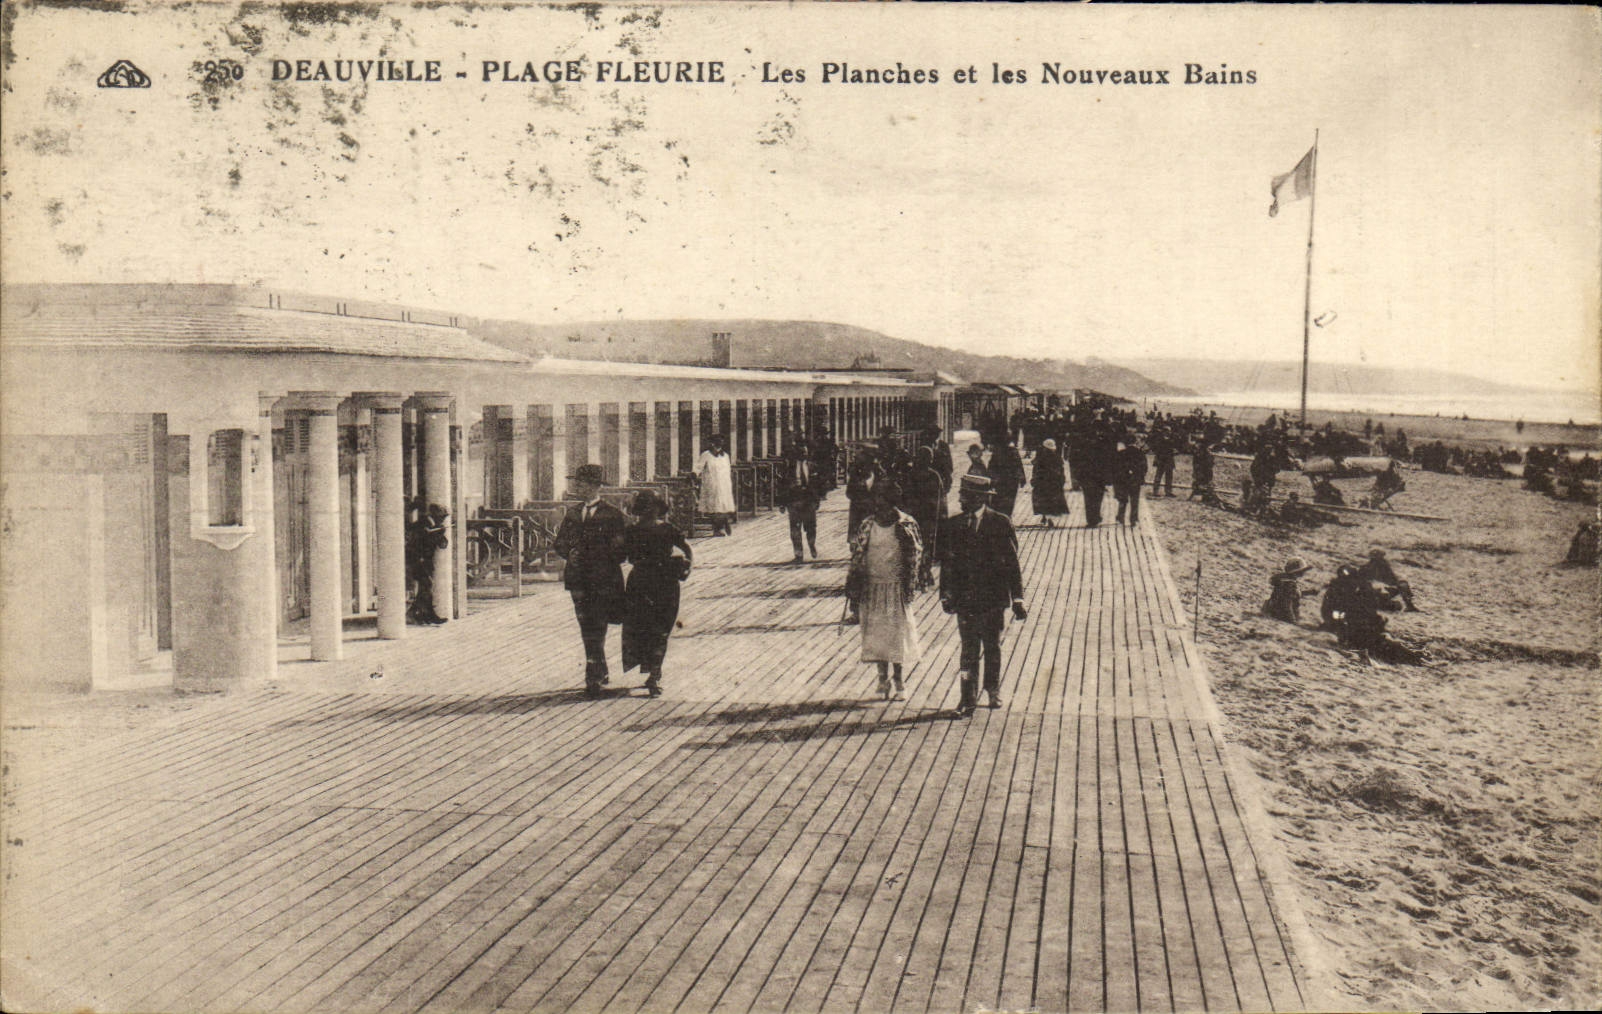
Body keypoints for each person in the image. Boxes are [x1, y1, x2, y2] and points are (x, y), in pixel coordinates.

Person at [939, 474, 1027, 716]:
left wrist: (1017, 599)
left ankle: (992, 689)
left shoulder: (1000, 523)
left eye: (964, 496)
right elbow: (948, 564)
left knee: (991, 647)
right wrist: (945, 595)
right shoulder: (954, 525)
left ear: (979, 498)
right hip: (965, 600)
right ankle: (967, 698)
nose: (960, 500)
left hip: (992, 599)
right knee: (968, 649)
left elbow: (1012, 564)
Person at [553, 464, 627, 696]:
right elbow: (560, 542)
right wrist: (569, 552)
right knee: (587, 625)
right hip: (578, 580)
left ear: (595, 487)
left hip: (603, 580)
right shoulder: (573, 513)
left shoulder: (613, 514)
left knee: (598, 625)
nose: (577, 487)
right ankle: (598, 670)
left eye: (582, 483)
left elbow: (621, 550)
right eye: (576, 483)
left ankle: (593, 674)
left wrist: (599, 557)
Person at [845, 480, 923, 702]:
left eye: (882, 500)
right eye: (876, 499)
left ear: (891, 502)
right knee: (877, 634)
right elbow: (858, 555)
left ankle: (899, 679)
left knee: (896, 634)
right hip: (873, 587)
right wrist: (853, 583)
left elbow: (916, 557)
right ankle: (882, 678)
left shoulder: (906, 525)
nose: (877, 505)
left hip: (895, 587)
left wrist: (911, 584)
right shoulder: (868, 524)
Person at [621, 490, 692, 698]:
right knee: (651, 628)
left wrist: (688, 568)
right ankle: (653, 672)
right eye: (646, 508)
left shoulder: (664, 529)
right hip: (650, 583)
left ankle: (654, 673)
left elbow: (687, 549)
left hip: (657, 582)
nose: (650, 512)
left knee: (659, 628)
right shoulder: (633, 531)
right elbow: (688, 550)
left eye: (653, 508)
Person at [904, 445, 946, 587]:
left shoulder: (910, 474)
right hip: (929, 519)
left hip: (914, 518)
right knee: (928, 547)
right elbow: (941, 499)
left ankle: (916, 574)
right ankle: (925, 574)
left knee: (914, 545)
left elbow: (906, 497)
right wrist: (942, 516)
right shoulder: (934, 476)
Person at [405, 498, 449, 624]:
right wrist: (435, 534)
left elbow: (442, 544)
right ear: (435, 515)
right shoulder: (422, 524)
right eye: (442, 517)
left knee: (426, 586)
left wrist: (441, 534)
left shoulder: (434, 525)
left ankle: (419, 613)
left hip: (424, 560)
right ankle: (422, 613)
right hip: (416, 559)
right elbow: (421, 542)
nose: (443, 520)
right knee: (427, 585)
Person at [778, 442, 822, 561]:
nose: (803, 454)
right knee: (795, 529)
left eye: (805, 453)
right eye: (801, 453)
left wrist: (817, 500)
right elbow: (783, 485)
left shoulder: (812, 466)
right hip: (794, 500)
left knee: (811, 528)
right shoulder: (789, 468)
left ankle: (811, 545)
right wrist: (782, 503)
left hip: (808, 501)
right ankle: (798, 554)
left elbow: (817, 485)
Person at [695, 433, 737, 536]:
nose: (720, 443)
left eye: (722, 441)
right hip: (712, 484)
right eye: (718, 441)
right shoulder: (706, 455)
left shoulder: (725, 456)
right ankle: (718, 528)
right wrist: (694, 474)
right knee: (714, 507)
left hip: (724, 484)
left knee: (723, 505)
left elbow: (727, 470)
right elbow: (698, 467)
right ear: (712, 443)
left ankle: (724, 522)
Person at [1031, 437, 1069, 527]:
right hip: (1054, 483)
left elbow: (1036, 470)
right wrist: (1062, 481)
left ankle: (1046, 517)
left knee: (1043, 500)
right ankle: (1048, 517)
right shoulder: (1057, 458)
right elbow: (1061, 472)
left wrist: (1034, 480)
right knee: (1052, 501)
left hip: (1042, 483)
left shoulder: (1040, 458)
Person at [1263, 557, 1312, 623]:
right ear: (1298, 572)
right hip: (1281, 615)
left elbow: (1292, 594)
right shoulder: (1289, 584)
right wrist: (1292, 621)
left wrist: (1309, 592)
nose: (1304, 573)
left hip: (1274, 611)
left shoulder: (1285, 581)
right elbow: (1287, 604)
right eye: (1303, 571)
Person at [1113, 435, 1148, 525]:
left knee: (1123, 499)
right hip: (1135, 479)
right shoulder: (1140, 453)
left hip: (1124, 479)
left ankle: (1121, 517)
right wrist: (1140, 476)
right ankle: (1133, 518)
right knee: (1134, 499)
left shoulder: (1121, 453)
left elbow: (1116, 467)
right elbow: (1144, 467)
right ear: (1135, 442)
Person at [990, 440, 1027, 518]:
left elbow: (991, 467)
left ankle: (1003, 518)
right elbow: (1019, 465)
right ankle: (1006, 517)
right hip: (1011, 482)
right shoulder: (1013, 451)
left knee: (1001, 501)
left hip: (1003, 481)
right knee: (1008, 502)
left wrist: (991, 480)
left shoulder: (997, 451)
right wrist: (1022, 479)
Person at [1150, 427, 1176, 497]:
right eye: (1168, 431)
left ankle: (1168, 491)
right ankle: (1155, 491)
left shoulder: (1171, 439)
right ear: (1164, 432)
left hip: (1169, 460)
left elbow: (1173, 448)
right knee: (1158, 476)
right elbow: (1155, 448)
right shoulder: (1159, 440)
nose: (1169, 432)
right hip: (1161, 460)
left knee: (1169, 476)